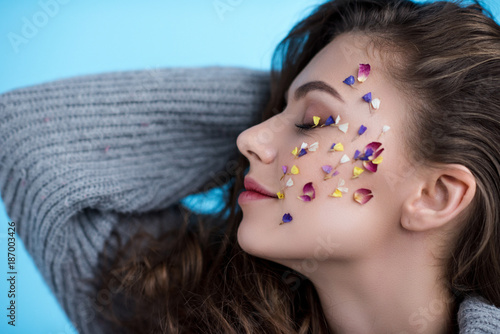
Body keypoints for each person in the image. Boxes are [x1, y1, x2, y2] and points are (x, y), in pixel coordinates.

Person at [2, 0, 500, 332]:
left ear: (435, 195)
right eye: (267, 115)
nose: (248, 139)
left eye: (315, 121)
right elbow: (23, 137)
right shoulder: (180, 310)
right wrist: (290, 100)